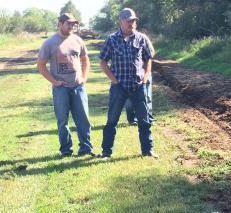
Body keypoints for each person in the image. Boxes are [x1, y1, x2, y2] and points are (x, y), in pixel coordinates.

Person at [99, 8, 157, 159]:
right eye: (129, 20)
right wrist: (113, 80)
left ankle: (148, 150)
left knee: (144, 120)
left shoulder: (141, 38)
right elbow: (103, 61)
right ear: (121, 21)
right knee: (112, 120)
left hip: (138, 86)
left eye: (134, 20)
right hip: (119, 86)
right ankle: (106, 152)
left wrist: (146, 75)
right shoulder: (111, 39)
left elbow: (148, 58)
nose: (132, 23)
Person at [37, 13, 95, 157]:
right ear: (60, 24)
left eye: (73, 24)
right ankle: (65, 150)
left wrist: (84, 77)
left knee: (83, 119)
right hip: (61, 88)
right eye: (68, 24)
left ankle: (86, 148)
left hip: (78, 86)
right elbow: (41, 65)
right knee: (62, 120)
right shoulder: (49, 43)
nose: (71, 26)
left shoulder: (77, 40)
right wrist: (54, 81)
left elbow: (85, 60)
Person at [125, 31, 155, 126]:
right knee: (129, 99)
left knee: (147, 97)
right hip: (128, 75)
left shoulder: (143, 38)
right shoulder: (121, 39)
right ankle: (132, 119)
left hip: (144, 73)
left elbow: (151, 52)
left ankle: (148, 118)